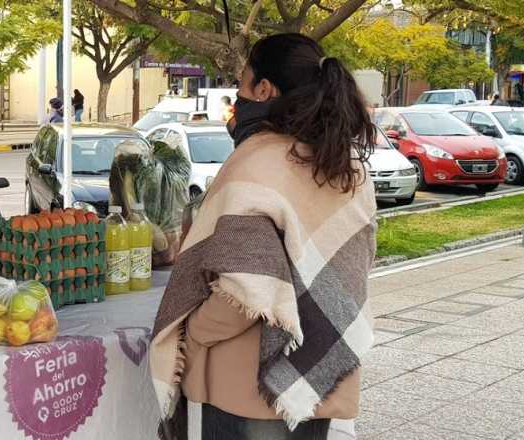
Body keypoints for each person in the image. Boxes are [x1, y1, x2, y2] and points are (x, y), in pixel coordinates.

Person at [149, 33, 376, 440]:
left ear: (265, 89)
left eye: (241, 83)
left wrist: (194, 333)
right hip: (319, 377)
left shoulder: (257, 161)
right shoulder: (348, 166)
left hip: (247, 387)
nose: (237, 96)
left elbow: (245, 291)